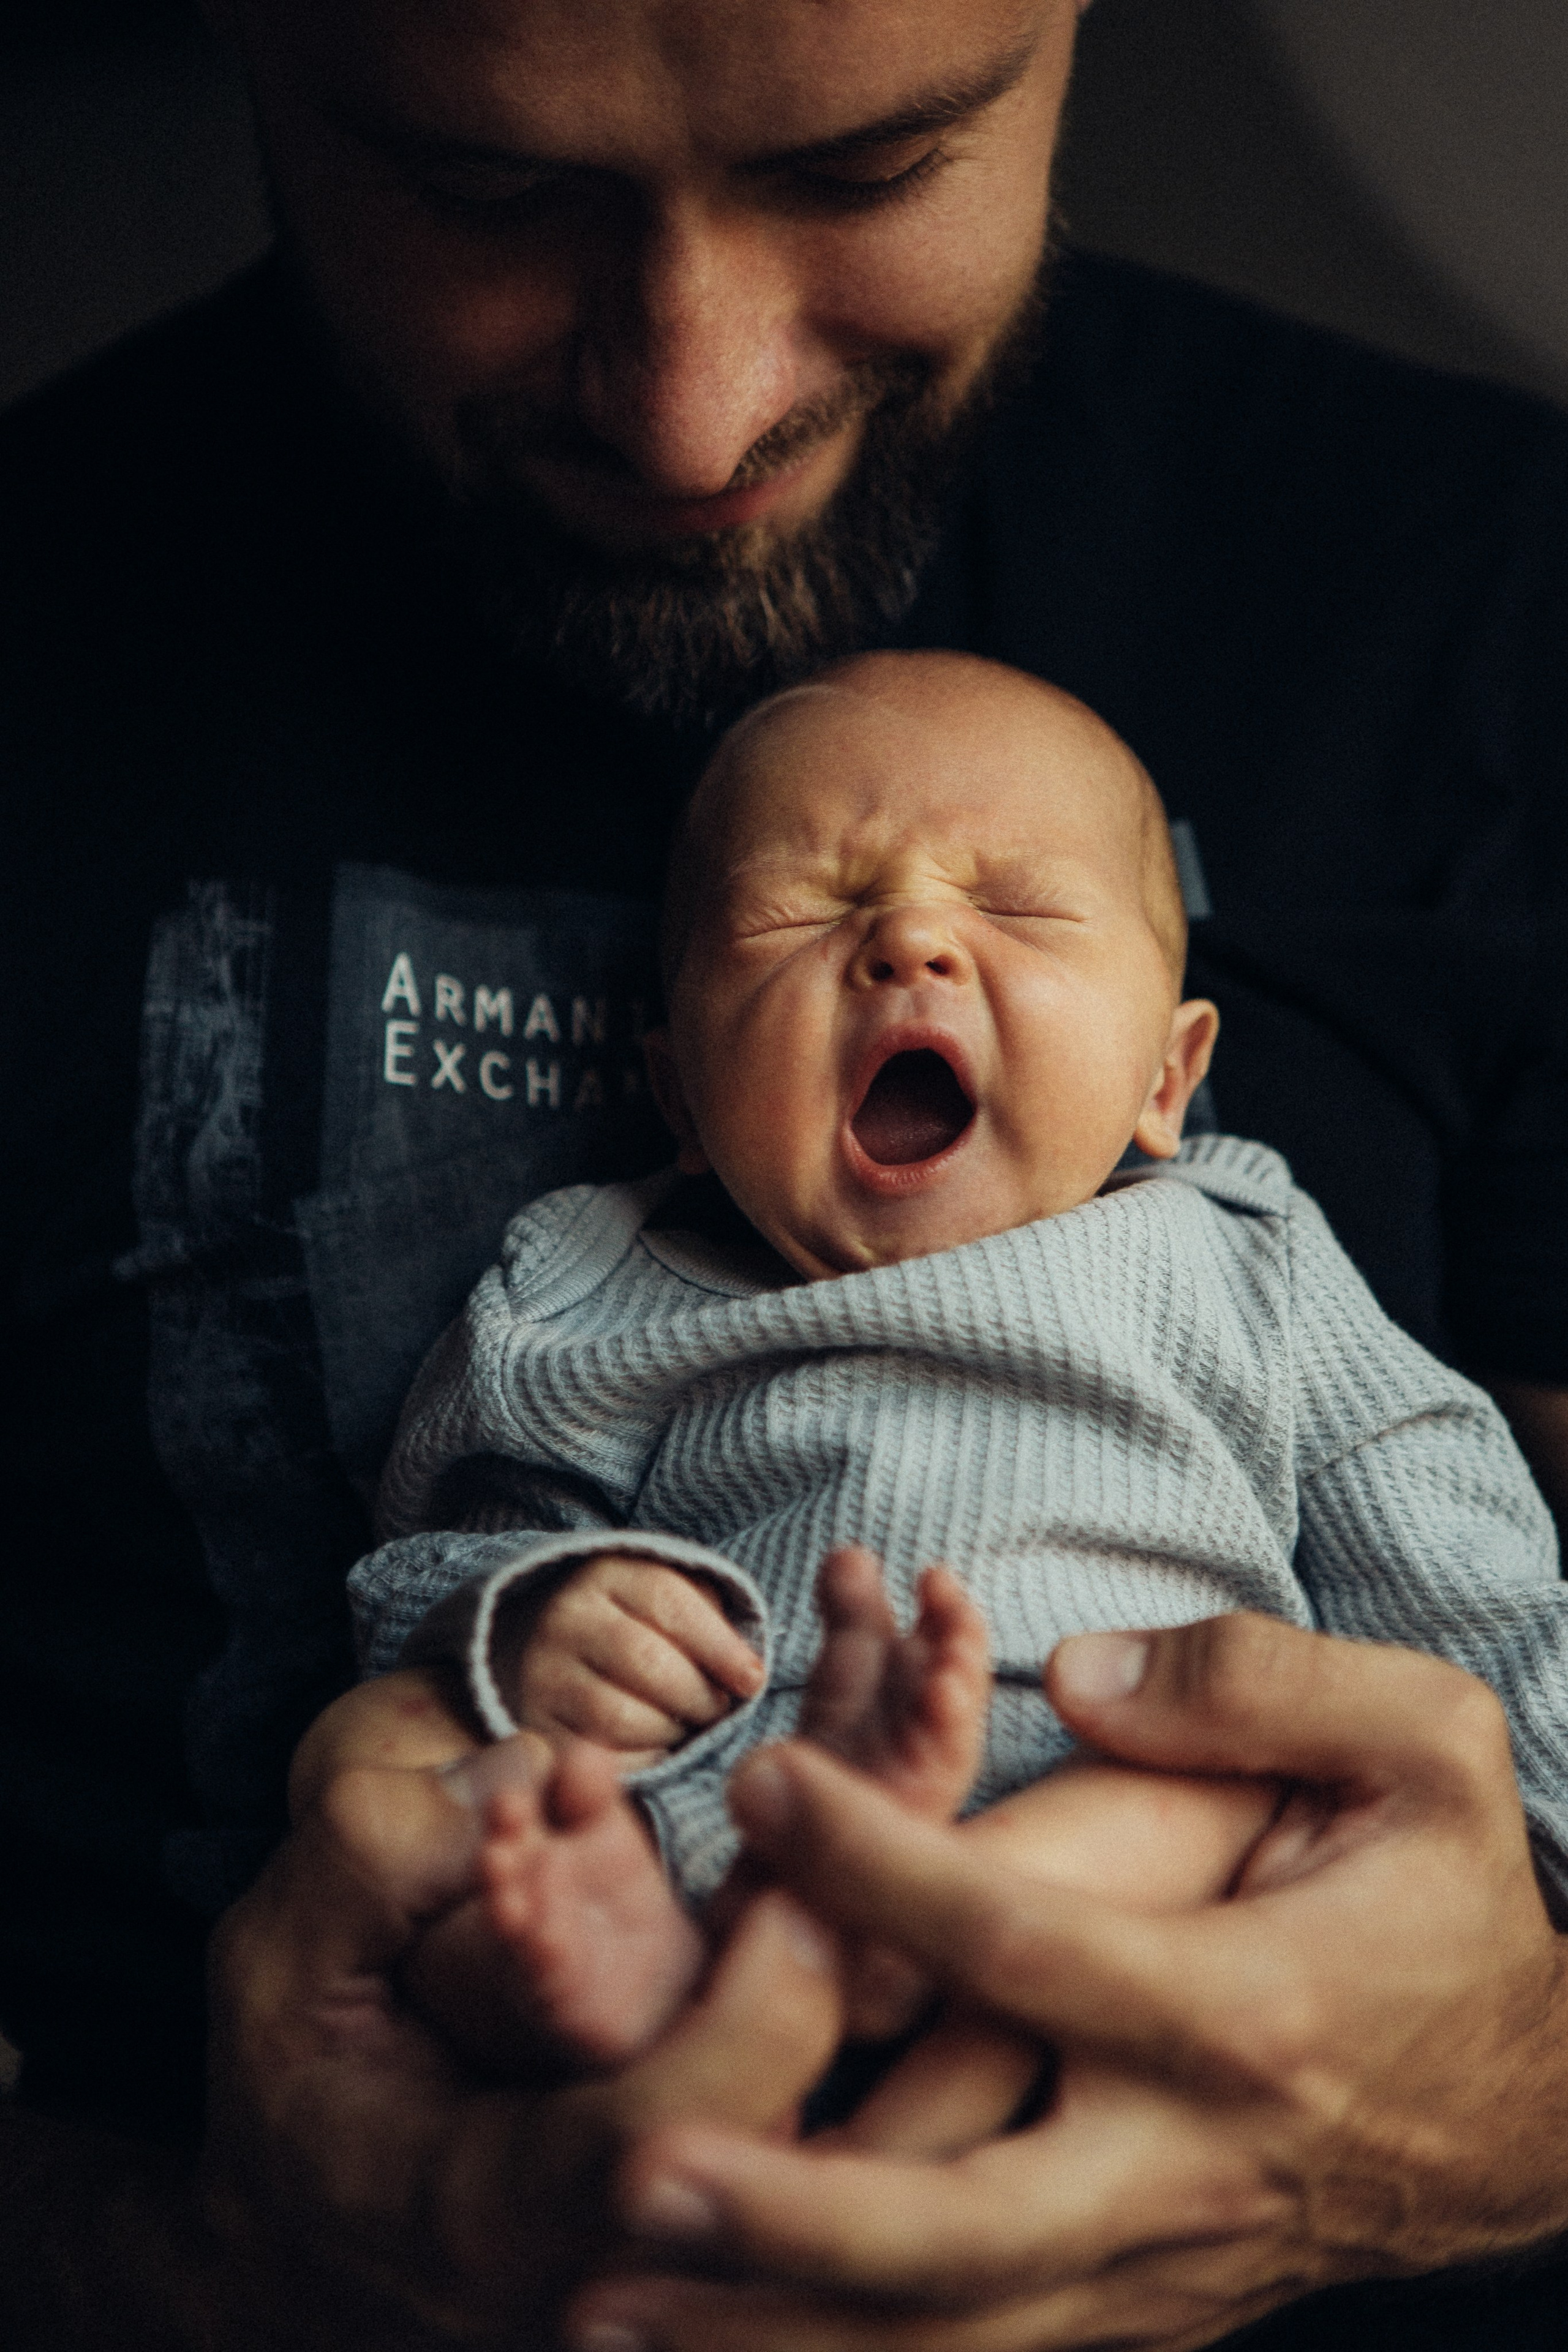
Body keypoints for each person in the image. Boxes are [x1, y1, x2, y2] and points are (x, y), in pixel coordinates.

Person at [2, 0, 1567, 2344]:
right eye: (487, 190)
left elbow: (1443, 1504)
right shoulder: (596, 1275)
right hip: (721, 1824)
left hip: (1130, 1767)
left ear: (1180, 1073)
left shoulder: (1491, 625)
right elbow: (489, 1526)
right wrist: (225, 2258)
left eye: (865, 171)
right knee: (607, 1869)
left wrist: (1526, 2045)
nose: (692, 409)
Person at [342, 651, 1559, 2081]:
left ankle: (873, 1942)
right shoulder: (585, 1282)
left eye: (1017, 907)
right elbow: (408, 1574)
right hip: (749, 1807)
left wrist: (1541, 1846)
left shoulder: (1240, 1250)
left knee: (1205, 1816)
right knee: (466, 1896)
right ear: (677, 1094)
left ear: (1163, 1082)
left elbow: (1455, 1562)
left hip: (1144, 1800)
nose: (910, 939)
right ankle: (691, 1974)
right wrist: (530, 1619)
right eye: (806, 906)